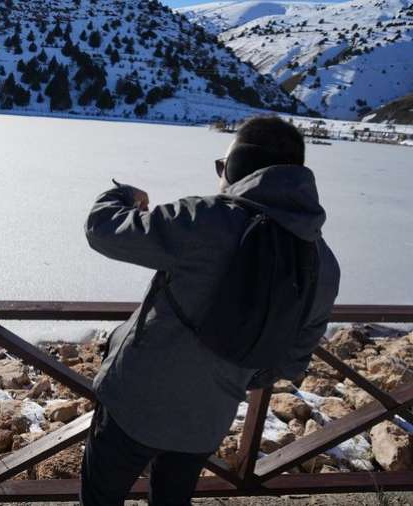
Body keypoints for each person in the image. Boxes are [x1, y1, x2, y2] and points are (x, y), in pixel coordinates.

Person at [81, 116, 340, 506]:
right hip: (208, 418)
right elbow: (291, 361)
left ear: (236, 168)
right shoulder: (322, 262)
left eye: (222, 167)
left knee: (100, 499)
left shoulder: (205, 219)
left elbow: (103, 230)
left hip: (133, 402)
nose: (220, 176)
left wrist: (121, 196)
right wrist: (232, 373)